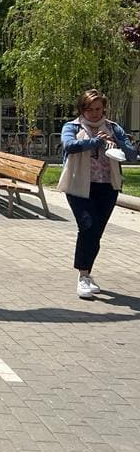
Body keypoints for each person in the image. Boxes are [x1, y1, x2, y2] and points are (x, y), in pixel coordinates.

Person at [58, 89, 137, 299]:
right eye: (89, 109)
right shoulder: (72, 127)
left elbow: (131, 154)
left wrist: (116, 141)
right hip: (79, 186)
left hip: (107, 187)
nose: (94, 113)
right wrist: (95, 142)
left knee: (96, 232)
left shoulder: (113, 127)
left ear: (104, 109)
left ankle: (87, 274)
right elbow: (69, 145)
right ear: (82, 109)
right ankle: (83, 277)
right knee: (88, 226)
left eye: (98, 109)